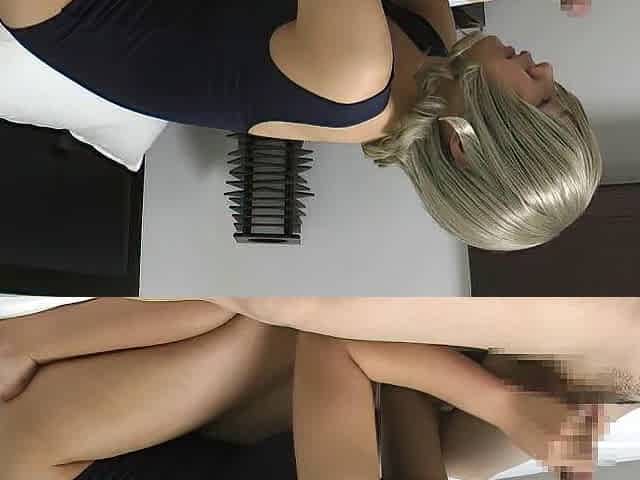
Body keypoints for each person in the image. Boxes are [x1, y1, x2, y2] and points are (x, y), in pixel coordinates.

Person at [0, 0, 602, 251]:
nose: (546, 71)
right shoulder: (434, 48)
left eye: (540, 100)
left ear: (467, 146)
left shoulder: (354, 75)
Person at [1, 298, 637, 480]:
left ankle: (14, 343)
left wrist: (505, 404)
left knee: (248, 306)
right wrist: (545, 419)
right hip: (223, 451)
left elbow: (335, 343)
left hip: (37, 456)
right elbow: (405, 400)